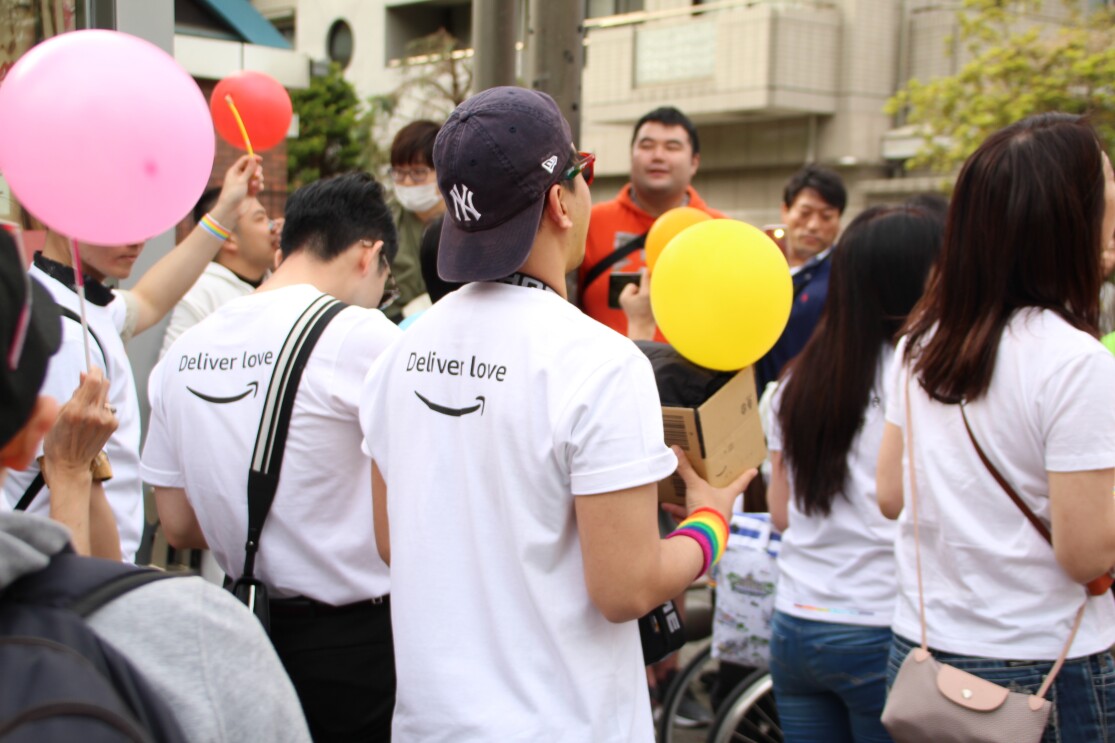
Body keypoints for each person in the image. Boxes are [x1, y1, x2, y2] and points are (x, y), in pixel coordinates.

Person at [360, 86, 752, 742]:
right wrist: (711, 520)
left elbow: (391, 541)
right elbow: (627, 588)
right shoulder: (600, 362)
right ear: (559, 201)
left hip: (431, 722)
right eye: (582, 170)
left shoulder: (397, 354)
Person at [0, 228, 311, 743]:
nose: (134, 235)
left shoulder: (94, 310)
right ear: (31, 434)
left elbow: (146, 301)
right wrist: (73, 471)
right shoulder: (192, 635)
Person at [876, 113, 1115, 741]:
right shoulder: (1076, 362)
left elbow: (891, 494)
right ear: (1071, 222)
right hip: (1042, 667)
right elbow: (1085, 554)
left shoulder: (921, 344)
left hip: (923, 652)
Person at [144, 172, 401, 742]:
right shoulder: (359, 335)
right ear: (369, 254)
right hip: (353, 645)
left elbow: (178, 524)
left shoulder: (183, 352)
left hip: (241, 627)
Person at [2, 154, 263, 561]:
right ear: (58, 213)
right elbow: (71, 484)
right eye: (115, 218)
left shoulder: (73, 303)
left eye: (141, 218)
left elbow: (149, 299)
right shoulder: (64, 337)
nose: (137, 237)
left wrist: (226, 209)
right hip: (75, 572)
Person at [766, 206, 942, 743]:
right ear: (918, 281)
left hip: (796, 620)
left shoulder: (795, 383)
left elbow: (781, 514)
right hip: (880, 623)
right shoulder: (924, 379)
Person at [578, 106, 724, 336]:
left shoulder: (720, 231)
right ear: (631, 155)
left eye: (672, 147)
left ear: (694, 162)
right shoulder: (589, 222)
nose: (658, 156)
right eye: (647, 146)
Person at [754, 165, 846, 391]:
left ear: (839, 219)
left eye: (826, 216)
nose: (813, 226)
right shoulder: (759, 265)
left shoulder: (845, 276)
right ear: (785, 210)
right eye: (805, 213)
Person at [159, 184, 277, 356]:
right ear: (229, 239)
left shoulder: (281, 285)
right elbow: (174, 362)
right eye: (260, 219)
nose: (274, 227)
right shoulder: (200, 294)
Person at [386, 119, 446, 323]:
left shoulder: (466, 219)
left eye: (418, 173)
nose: (407, 181)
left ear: (443, 171)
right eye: (399, 173)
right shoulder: (386, 222)